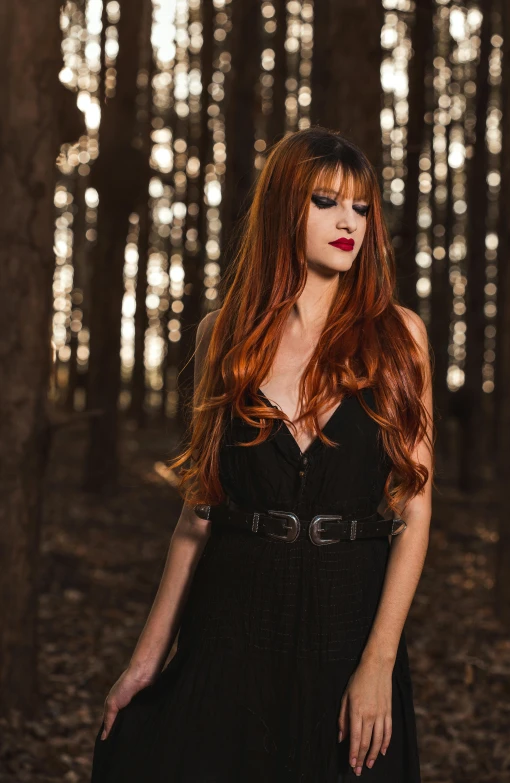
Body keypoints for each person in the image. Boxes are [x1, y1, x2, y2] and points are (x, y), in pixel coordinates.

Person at [90, 126, 433, 782]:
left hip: (348, 618)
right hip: (233, 622)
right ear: (284, 207)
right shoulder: (224, 335)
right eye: (327, 201)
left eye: (361, 208)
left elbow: (414, 516)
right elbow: (197, 517)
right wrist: (146, 657)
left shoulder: (399, 337)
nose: (348, 222)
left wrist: (379, 662)